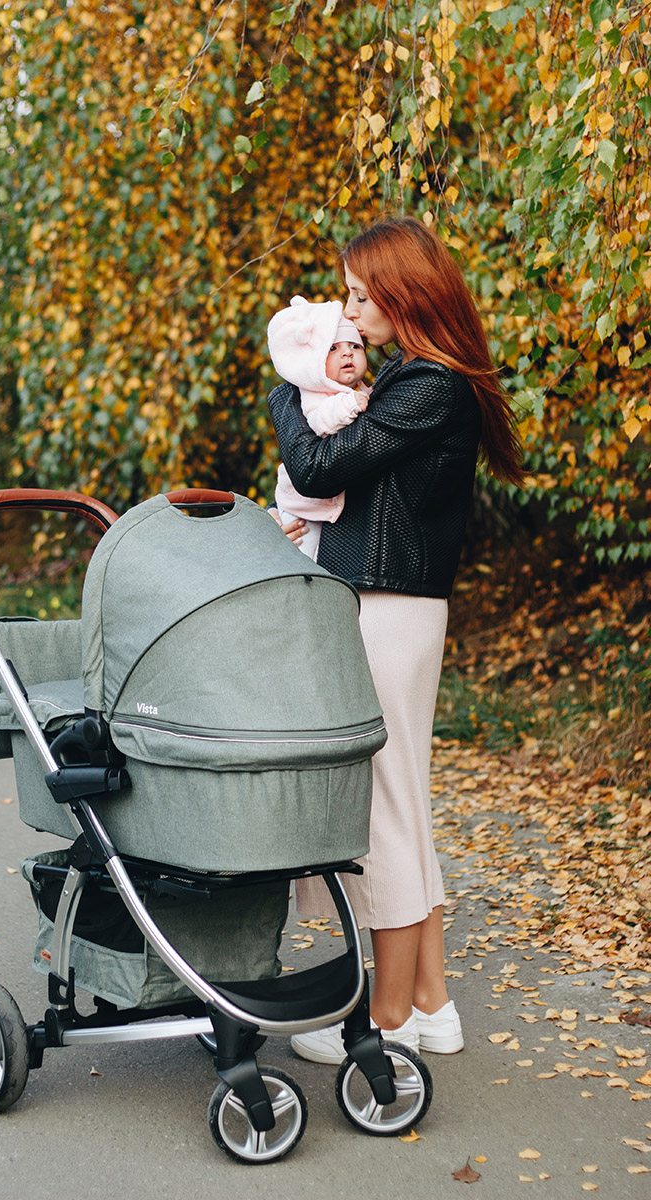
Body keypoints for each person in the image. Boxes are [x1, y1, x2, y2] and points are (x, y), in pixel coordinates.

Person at [267, 215, 524, 1063]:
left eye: (359, 294)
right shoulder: (419, 379)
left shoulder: (429, 386)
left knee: (384, 812)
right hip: (391, 607)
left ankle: (381, 1027)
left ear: (401, 295)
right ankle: (430, 1004)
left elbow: (317, 468)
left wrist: (284, 398)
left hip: (387, 611)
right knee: (401, 803)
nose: (349, 311)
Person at [267, 296, 371, 561]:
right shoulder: (315, 392)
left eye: (355, 347)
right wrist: (350, 405)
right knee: (304, 557)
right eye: (333, 348)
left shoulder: (362, 390)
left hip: (326, 504)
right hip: (301, 506)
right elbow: (319, 421)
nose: (347, 353)